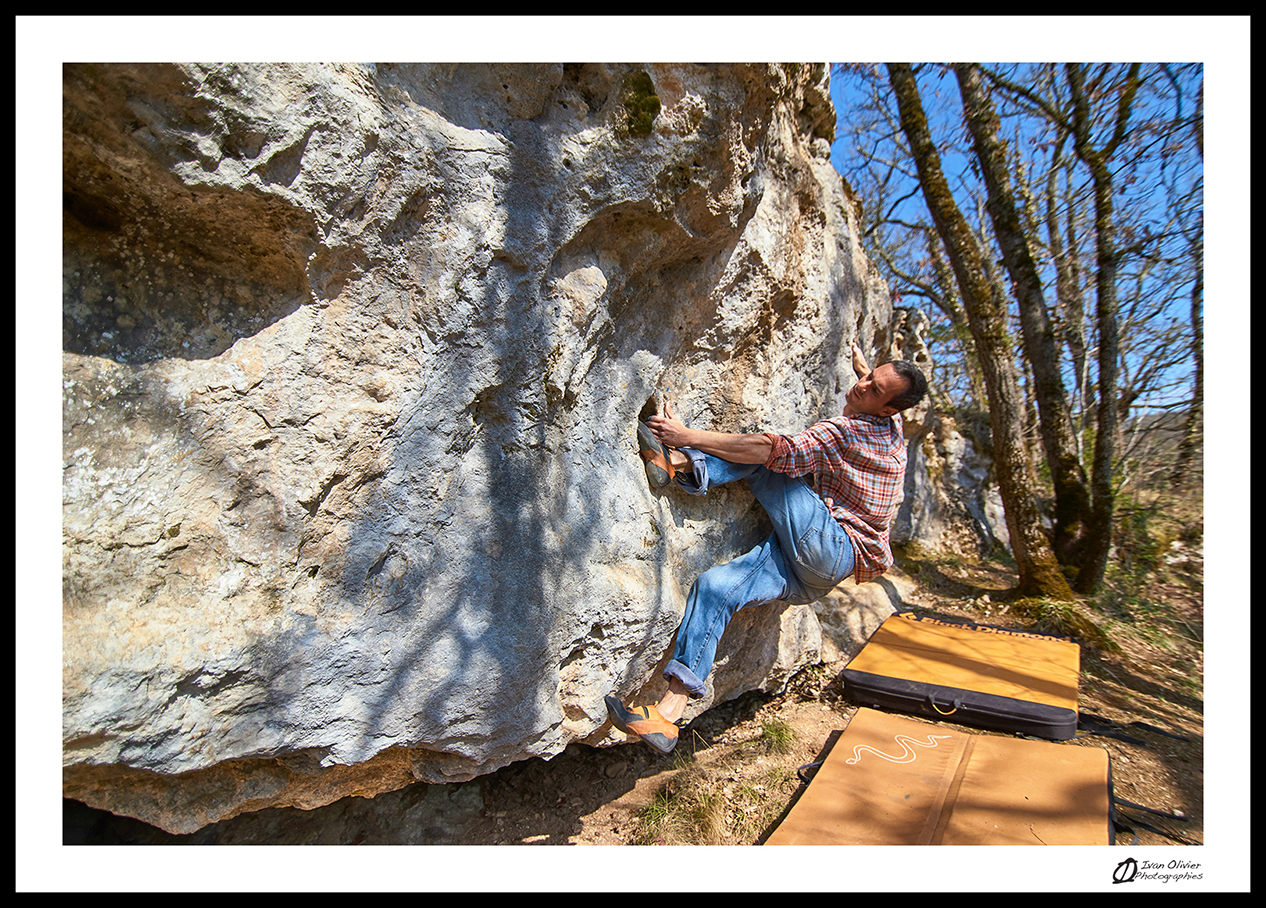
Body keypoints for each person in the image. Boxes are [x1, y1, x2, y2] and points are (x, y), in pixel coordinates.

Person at [605, 342, 928, 754]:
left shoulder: (851, 431)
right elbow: (875, 386)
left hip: (831, 546)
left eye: (874, 388)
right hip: (815, 574)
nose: (862, 385)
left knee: (771, 455)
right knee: (715, 588)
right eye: (866, 376)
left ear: (888, 410)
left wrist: (688, 436)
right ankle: (668, 715)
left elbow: (772, 451)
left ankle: (681, 462)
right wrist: (866, 368)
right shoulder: (891, 423)